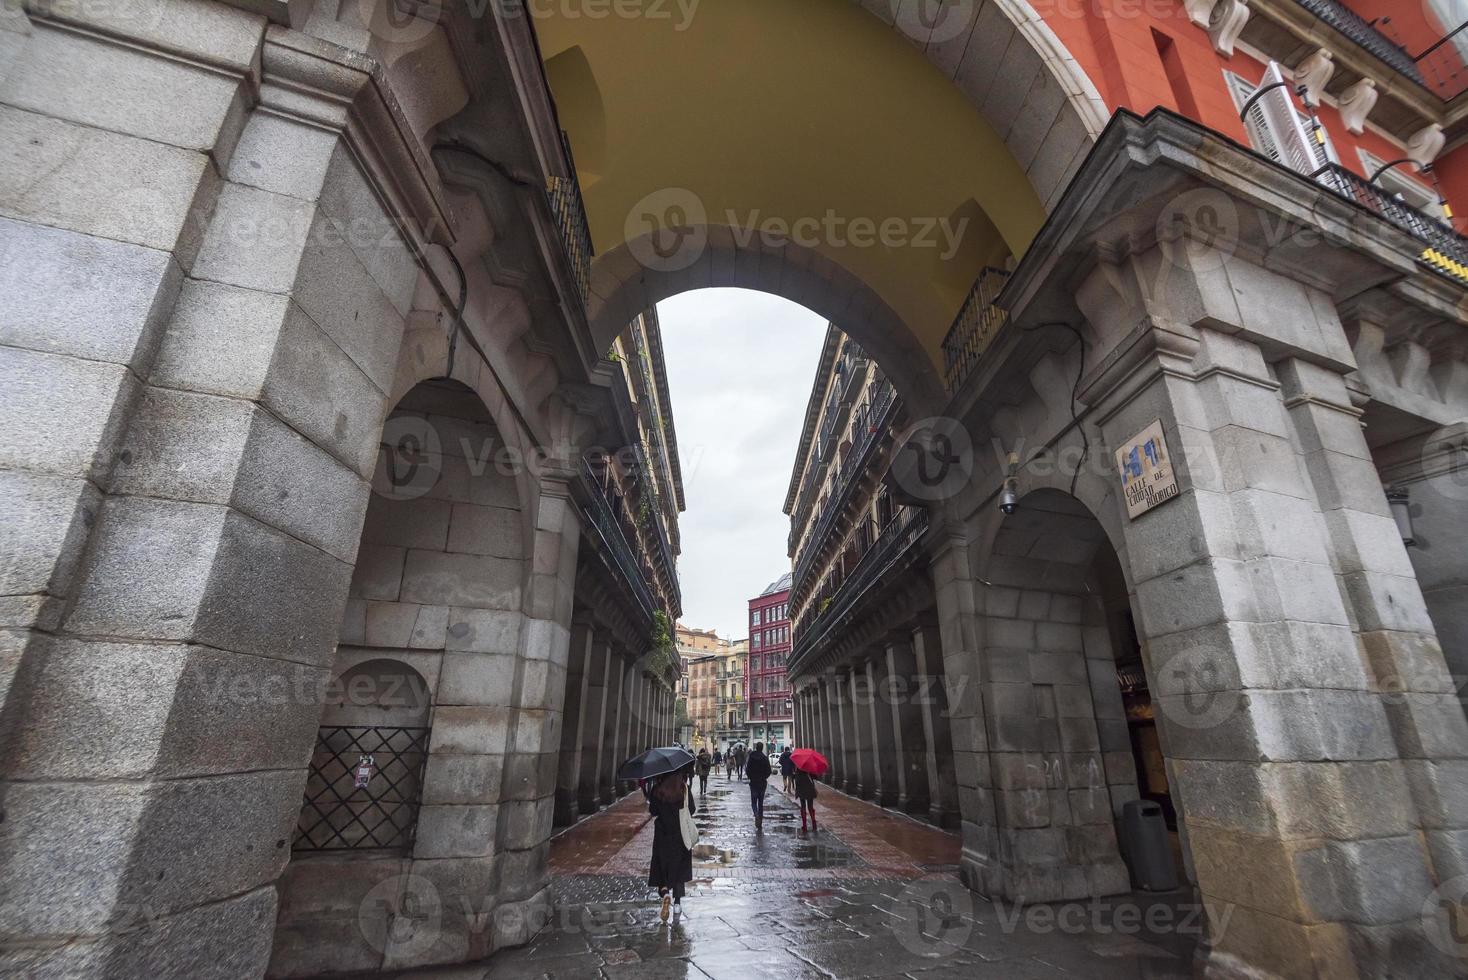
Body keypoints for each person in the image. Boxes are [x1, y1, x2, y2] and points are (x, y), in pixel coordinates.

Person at [647, 767, 695, 922]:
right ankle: (678, 903)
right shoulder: (683, 789)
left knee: (661, 864)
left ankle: (665, 891)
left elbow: (653, 811)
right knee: (679, 868)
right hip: (680, 834)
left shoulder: (657, 789)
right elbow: (692, 809)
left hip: (662, 834)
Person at [744, 741, 772, 830]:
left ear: (756, 747)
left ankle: (756, 815)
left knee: (753, 802)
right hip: (762, 783)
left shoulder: (751, 757)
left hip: (754, 782)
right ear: (762, 748)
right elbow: (769, 771)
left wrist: (750, 776)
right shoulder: (764, 758)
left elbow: (748, 769)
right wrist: (764, 777)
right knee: (761, 803)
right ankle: (760, 821)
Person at [794, 765, 818, 833]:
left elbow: (797, 782)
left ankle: (804, 826)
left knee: (803, 807)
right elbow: (816, 777)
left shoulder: (798, 769)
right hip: (810, 789)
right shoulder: (809, 768)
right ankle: (814, 823)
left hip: (802, 790)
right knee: (810, 807)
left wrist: (797, 792)